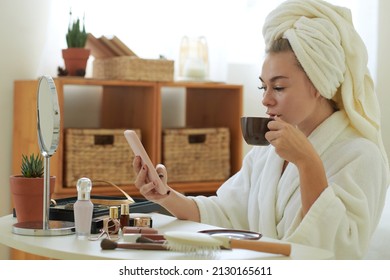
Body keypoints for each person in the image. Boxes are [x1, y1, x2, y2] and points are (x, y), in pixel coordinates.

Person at [133, 0, 389, 259]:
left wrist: (307, 162)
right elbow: (225, 213)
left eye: (278, 87)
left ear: (319, 85)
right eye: (262, 87)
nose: (265, 99)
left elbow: (339, 251)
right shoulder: (269, 152)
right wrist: (165, 195)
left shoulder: (361, 156)